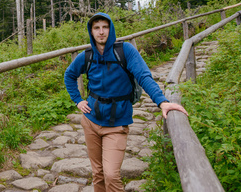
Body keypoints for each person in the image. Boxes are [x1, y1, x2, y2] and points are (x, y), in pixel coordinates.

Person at [64, 12, 188, 192]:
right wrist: (77, 100)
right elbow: (69, 75)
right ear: (91, 31)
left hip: (117, 123)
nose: (101, 32)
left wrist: (162, 102)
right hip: (91, 121)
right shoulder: (87, 56)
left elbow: (144, 76)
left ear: (111, 29)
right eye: (96, 28)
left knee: (111, 175)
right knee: (97, 173)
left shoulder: (125, 51)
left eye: (105, 27)